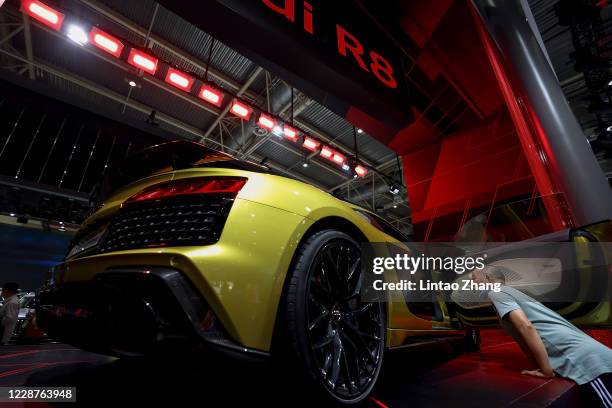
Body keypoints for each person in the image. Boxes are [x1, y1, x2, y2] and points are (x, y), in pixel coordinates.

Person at [472, 266, 612, 408]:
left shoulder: (497, 293)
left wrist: (546, 371)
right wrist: (538, 364)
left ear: (487, 278)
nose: (472, 283)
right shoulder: (511, 292)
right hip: (588, 356)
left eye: (474, 278)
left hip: (588, 363)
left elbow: (526, 327)